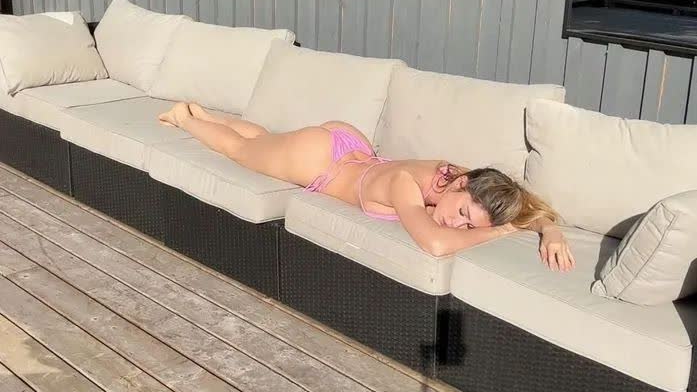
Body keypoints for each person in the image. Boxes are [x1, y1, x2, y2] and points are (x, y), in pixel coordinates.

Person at [158, 104, 575, 270]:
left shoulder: (457, 176)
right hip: (320, 161)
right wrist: (501, 232)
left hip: (350, 148)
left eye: (468, 225)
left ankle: (205, 114)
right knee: (238, 150)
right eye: (463, 214)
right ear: (460, 185)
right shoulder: (405, 185)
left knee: (263, 140)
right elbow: (435, 244)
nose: (457, 223)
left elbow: (527, 206)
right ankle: (184, 118)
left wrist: (549, 230)